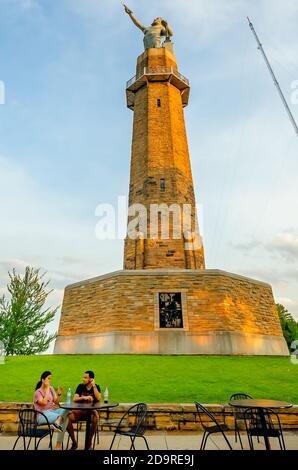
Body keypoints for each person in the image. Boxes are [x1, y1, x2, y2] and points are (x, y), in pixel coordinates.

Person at [33, 371, 69, 450]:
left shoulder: (51, 389)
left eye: (50, 379)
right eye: (48, 379)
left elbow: (56, 402)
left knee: (67, 410)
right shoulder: (37, 392)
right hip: (42, 415)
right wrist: (47, 389)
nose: (50, 380)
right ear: (43, 380)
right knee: (65, 419)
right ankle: (58, 446)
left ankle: (57, 422)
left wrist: (59, 394)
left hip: (51, 412)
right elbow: (44, 402)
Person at [67, 370, 101, 451]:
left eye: (85, 378)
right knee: (67, 417)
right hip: (80, 412)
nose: (83, 379)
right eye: (83, 377)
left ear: (91, 379)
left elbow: (99, 398)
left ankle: (89, 441)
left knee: (96, 417)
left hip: (91, 413)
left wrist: (94, 386)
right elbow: (74, 399)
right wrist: (84, 397)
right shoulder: (80, 386)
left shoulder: (96, 387)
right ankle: (74, 442)